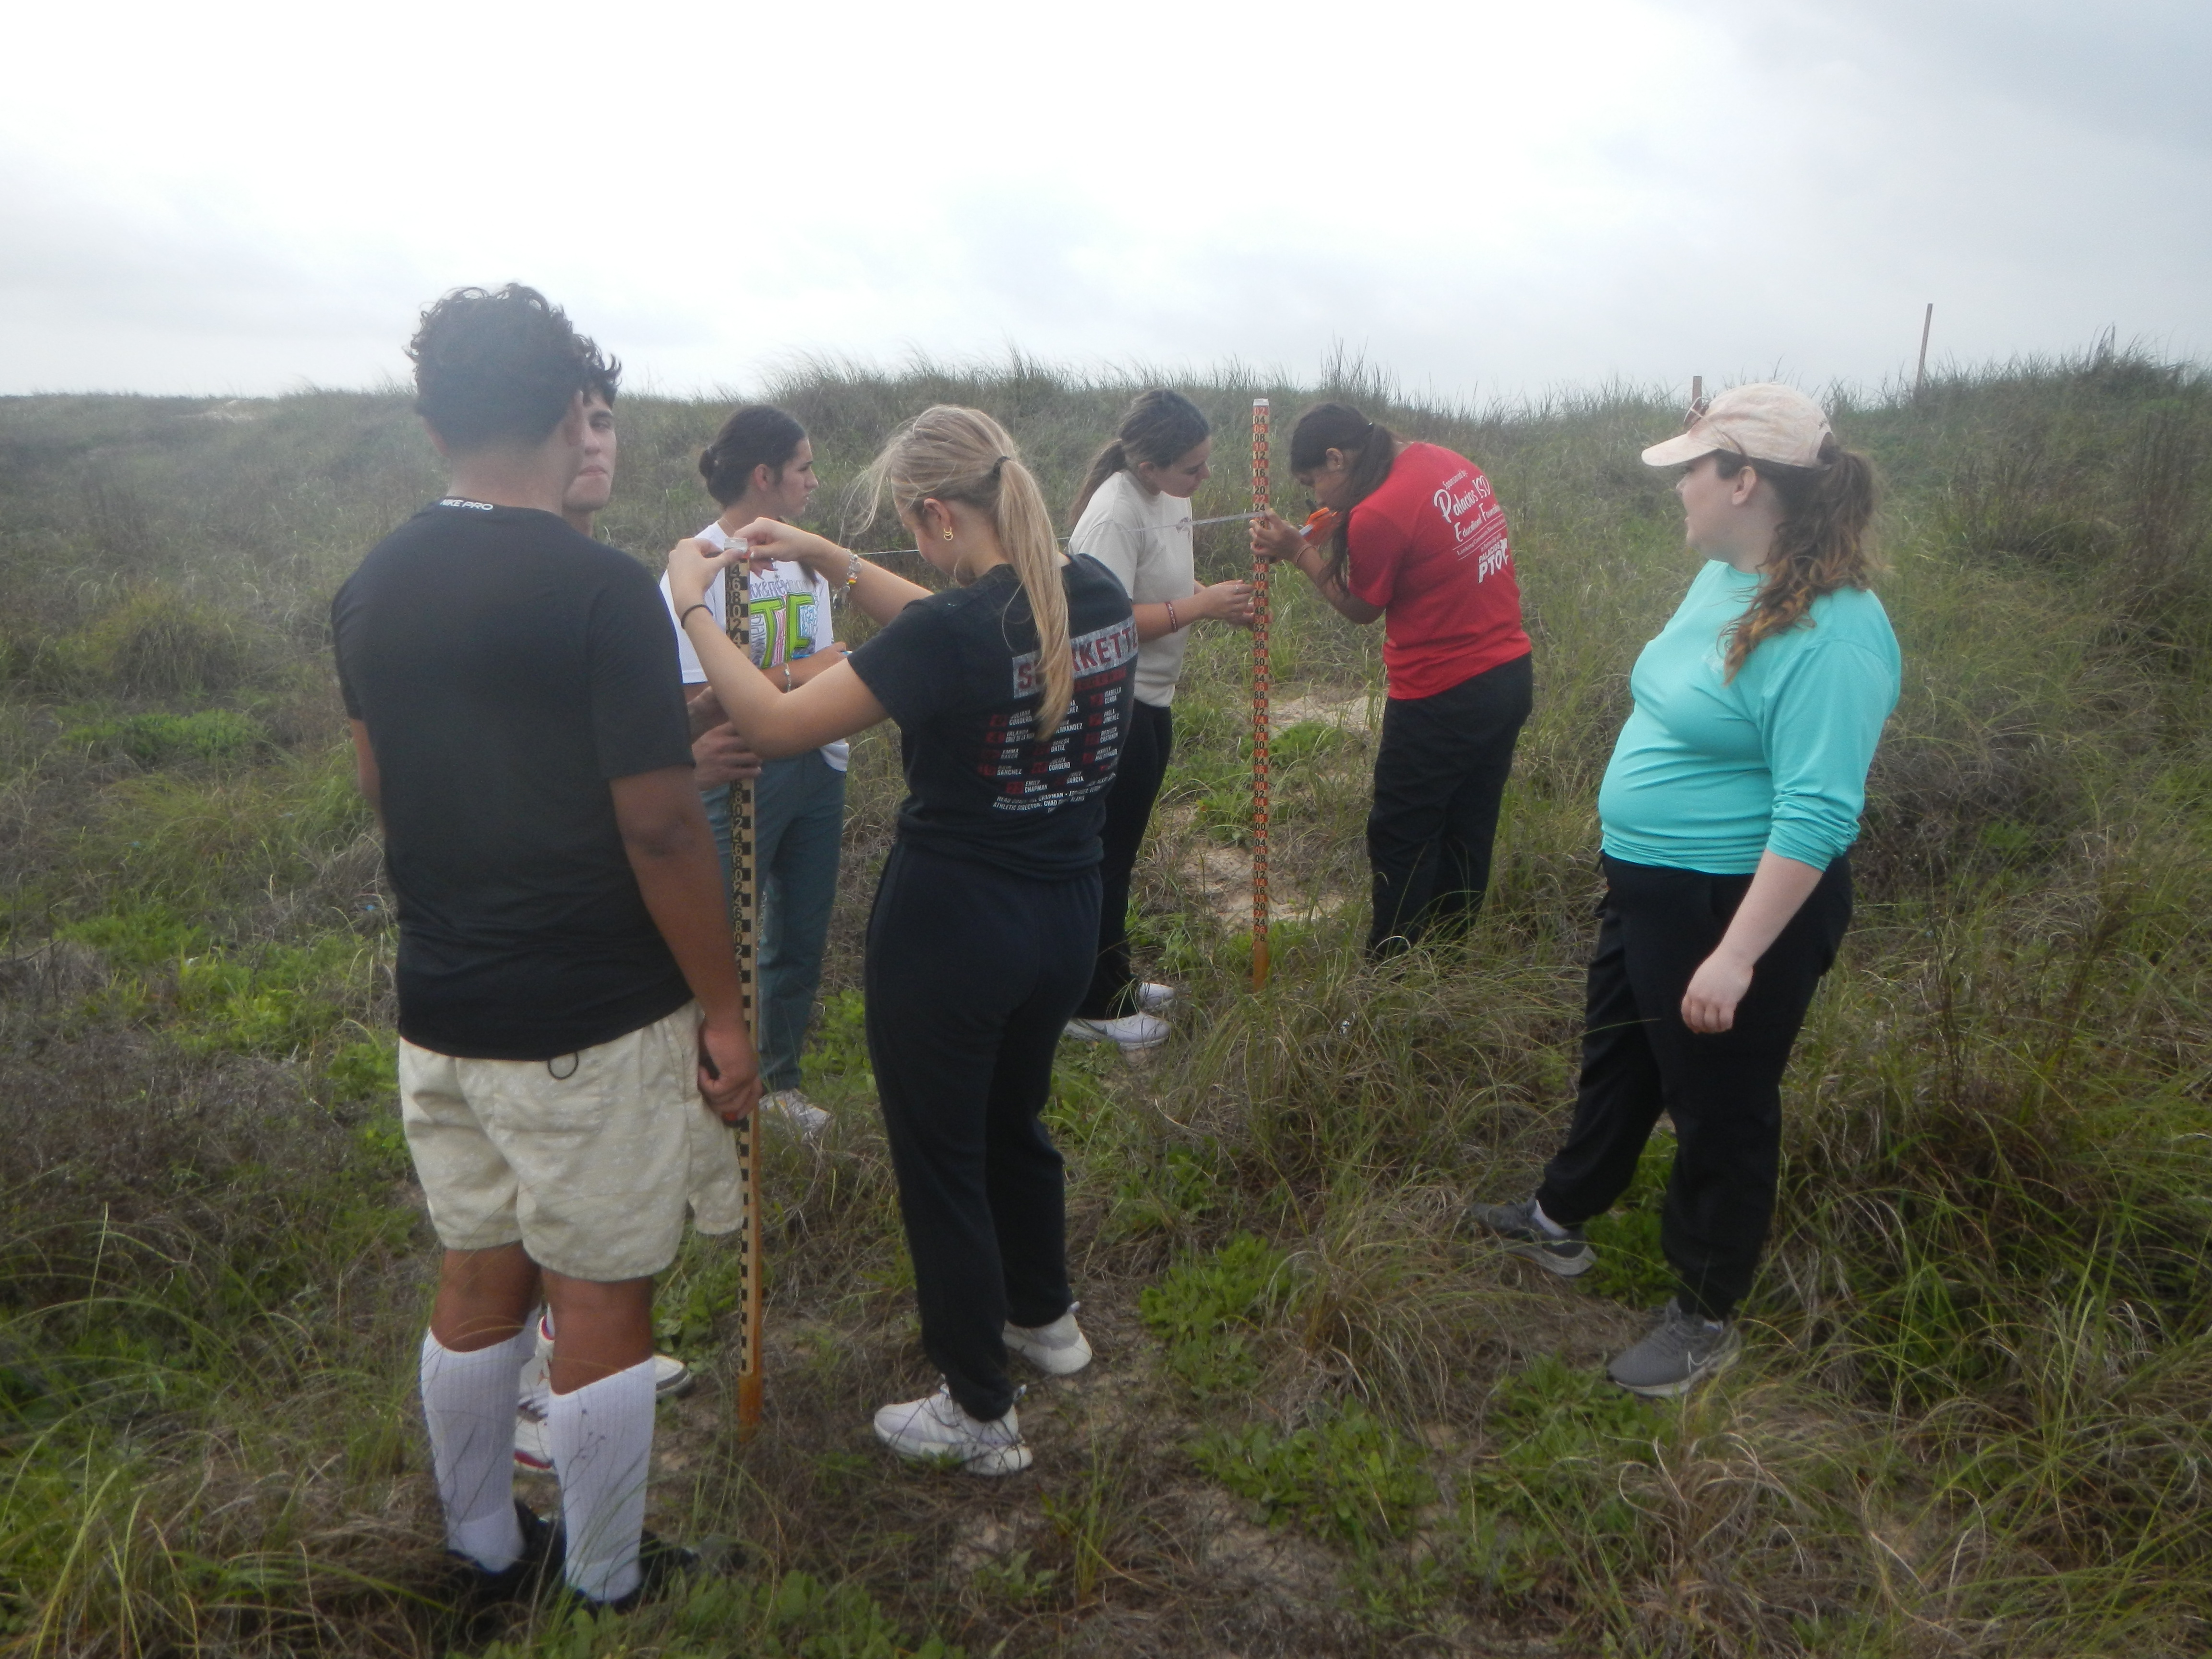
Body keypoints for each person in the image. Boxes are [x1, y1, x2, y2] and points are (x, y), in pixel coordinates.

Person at [333, 284, 760, 1610]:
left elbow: (383, 786)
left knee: (475, 1281)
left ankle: (483, 1551)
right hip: (590, 1014)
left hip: (442, 1008)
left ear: (431, 418)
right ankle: (613, 1578)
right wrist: (728, 1016)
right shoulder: (598, 592)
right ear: (576, 408)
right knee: (601, 1298)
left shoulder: (371, 585)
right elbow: (664, 833)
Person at [664, 406, 1136, 1475]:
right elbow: (959, 630)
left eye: (904, 526)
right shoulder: (1091, 594)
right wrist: (835, 561)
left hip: (952, 935)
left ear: (933, 513)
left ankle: (979, 1407)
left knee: (942, 1160)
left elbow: (778, 726)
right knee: (1016, 1120)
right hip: (1066, 919)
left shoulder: (954, 636)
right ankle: (1045, 1320)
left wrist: (697, 611)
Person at [1467, 384, 1900, 1397]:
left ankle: (1706, 1313)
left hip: (1736, 907)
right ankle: (1560, 1218)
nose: (1678, 490)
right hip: (1655, 889)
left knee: (1722, 1105)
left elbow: (1818, 814)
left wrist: (1739, 955)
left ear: (1745, 481)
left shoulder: (1838, 634)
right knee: (1620, 1053)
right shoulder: (1729, 575)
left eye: (1693, 470)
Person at [505, 376, 722, 1477]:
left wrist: (687, 729)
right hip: (573, 964)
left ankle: (562, 1357)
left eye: (603, 421)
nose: (592, 443)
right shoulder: (582, 588)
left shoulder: (602, 582)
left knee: (569, 1200)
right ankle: (552, 1402)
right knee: (576, 1205)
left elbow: (595, 751)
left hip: (555, 959)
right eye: (569, 420)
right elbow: (627, 814)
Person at [1251, 403, 1533, 958]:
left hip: (1441, 693)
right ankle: (1450, 958)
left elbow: (1362, 608)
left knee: (1401, 834)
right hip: (1508, 677)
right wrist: (1332, 517)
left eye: (1315, 484)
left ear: (1338, 457)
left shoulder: (1380, 512)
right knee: (1469, 822)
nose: (1320, 499)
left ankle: (1393, 966)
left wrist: (1298, 550)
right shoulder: (1446, 461)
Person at [655, 408, 847, 1138]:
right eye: (803, 467)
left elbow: (817, 673)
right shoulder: (694, 568)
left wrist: (786, 681)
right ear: (763, 476)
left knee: (798, 936)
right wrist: (811, 673)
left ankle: (778, 1082)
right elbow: (693, 700)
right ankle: (701, 1083)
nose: (812, 481)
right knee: (721, 939)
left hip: (819, 769)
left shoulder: (807, 557)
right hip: (741, 773)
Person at [1061, 389, 1253, 1052]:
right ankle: (1088, 1003)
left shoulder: (1172, 495)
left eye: (1205, 464)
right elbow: (1101, 621)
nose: (1204, 480)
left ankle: (1114, 975)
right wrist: (1201, 607)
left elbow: (1163, 585)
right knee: (1104, 854)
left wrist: (1210, 603)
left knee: (1124, 850)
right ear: (1149, 467)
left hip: (1155, 699)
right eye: (1191, 469)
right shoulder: (1114, 513)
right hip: (1115, 702)